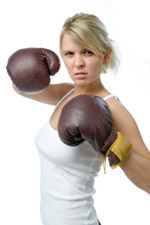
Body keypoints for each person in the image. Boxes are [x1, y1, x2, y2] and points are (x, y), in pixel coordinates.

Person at [7, 13, 150, 225]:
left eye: (87, 52)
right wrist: (25, 68)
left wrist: (113, 143)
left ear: (105, 56)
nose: (78, 63)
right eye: (69, 53)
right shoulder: (65, 94)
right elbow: (22, 89)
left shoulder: (112, 107)